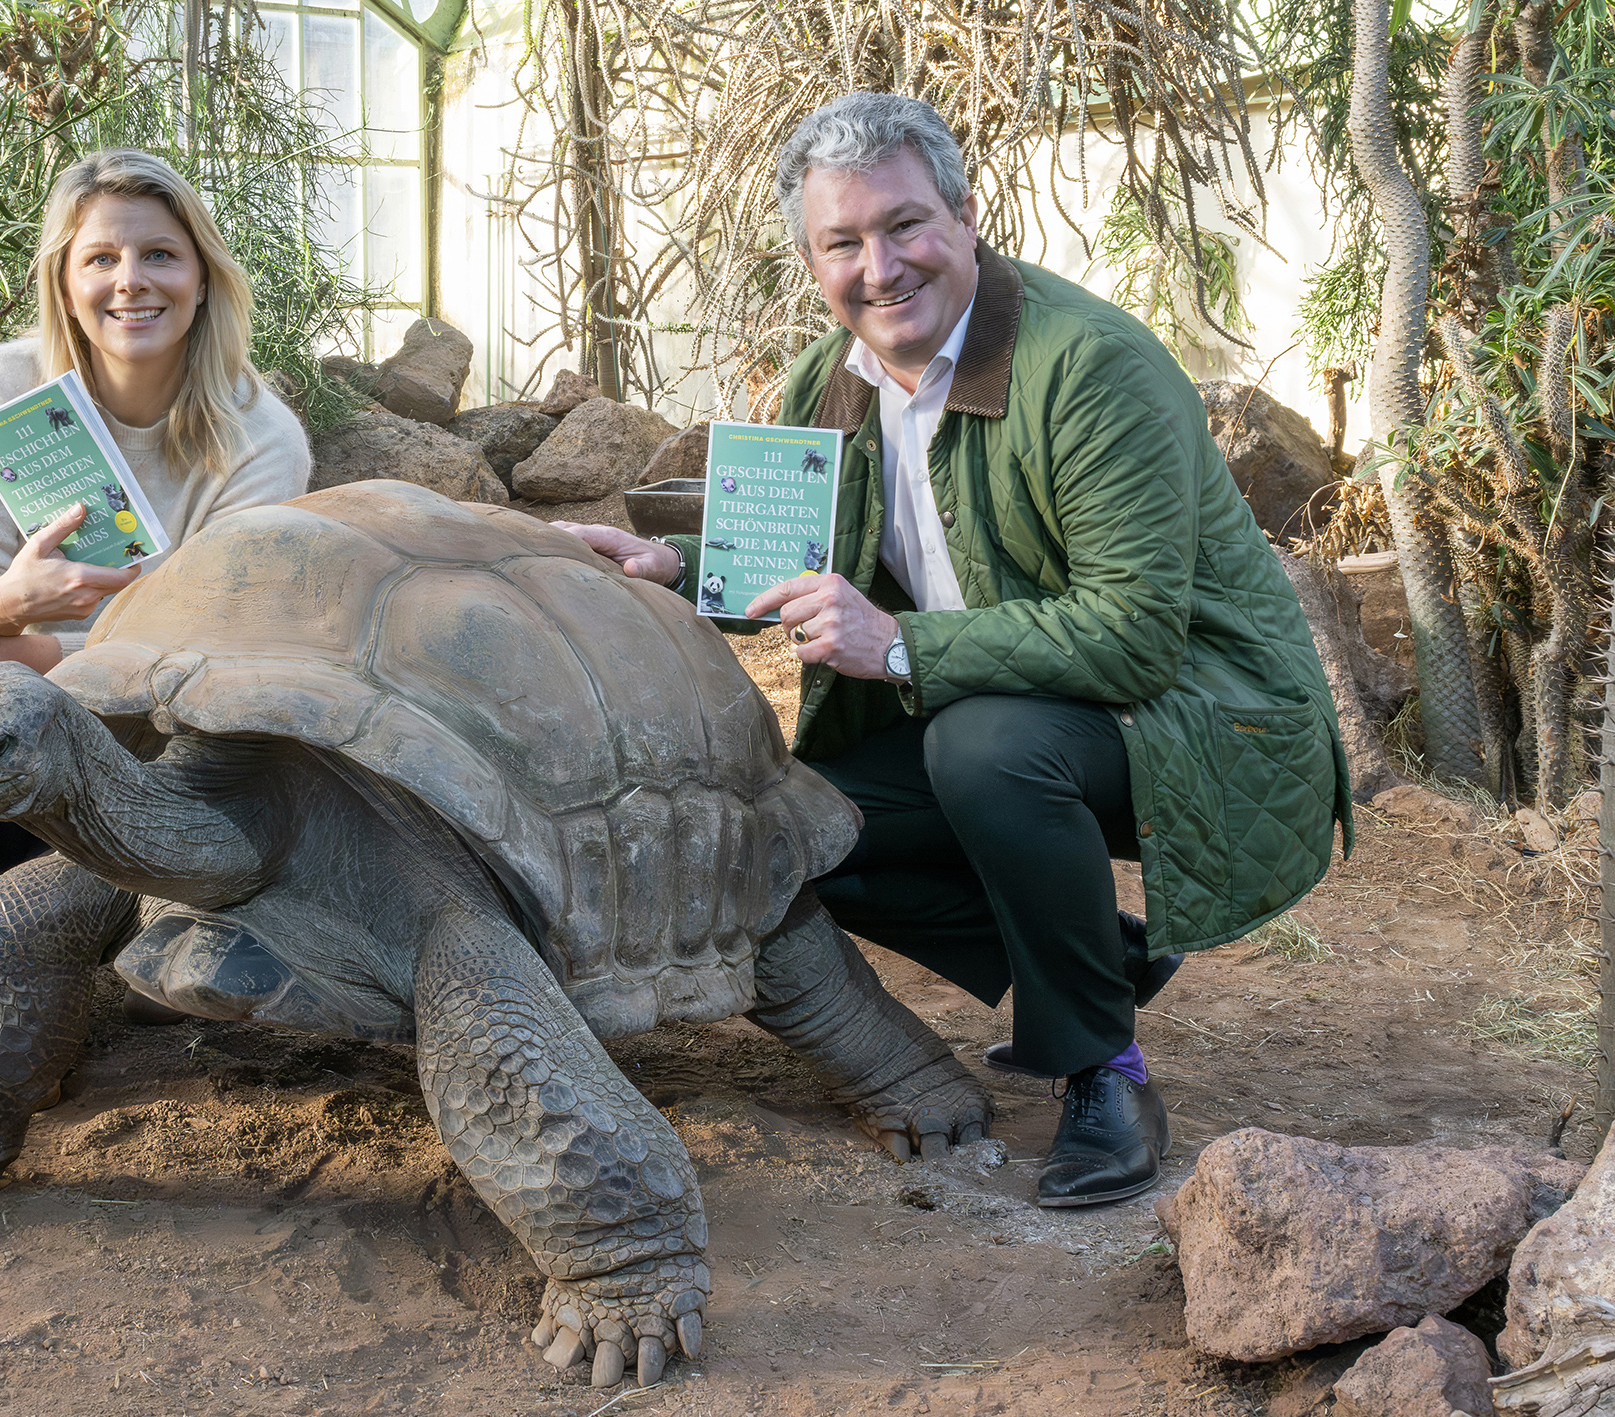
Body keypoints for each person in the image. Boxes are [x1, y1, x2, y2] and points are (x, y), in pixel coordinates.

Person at [560, 93, 1350, 1207]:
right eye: (842, 242)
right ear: (810, 260)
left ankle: (1103, 1068)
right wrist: (675, 567)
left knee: (983, 747)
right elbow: (787, 555)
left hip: (1198, 716)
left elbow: (1132, 635)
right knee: (791, 829)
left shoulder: (1088, 366)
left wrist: (897, 644)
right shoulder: (827, 380)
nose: (879, 268)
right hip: (1009, 701)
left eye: (905, 226)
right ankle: (1098, 957)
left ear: (965, 216)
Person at [0, 148, 311, 716]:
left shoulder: (262, 441)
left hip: (181, 730)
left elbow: (213, 645)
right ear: (65, 288)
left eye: (160, 255)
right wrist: (8, 603)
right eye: (101, 259)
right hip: (14, 717)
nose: (131, 281)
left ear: (203, 281)